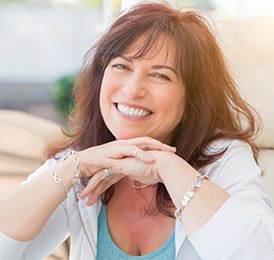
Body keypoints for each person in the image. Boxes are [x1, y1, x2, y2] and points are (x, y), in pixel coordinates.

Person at [1, 2, 274, 259]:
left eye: (160, 75)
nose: (133, 90)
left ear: (192, 99)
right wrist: (71, 166)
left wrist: (166, 167)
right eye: (121, 66)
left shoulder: (224, 159)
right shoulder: (83, 162)